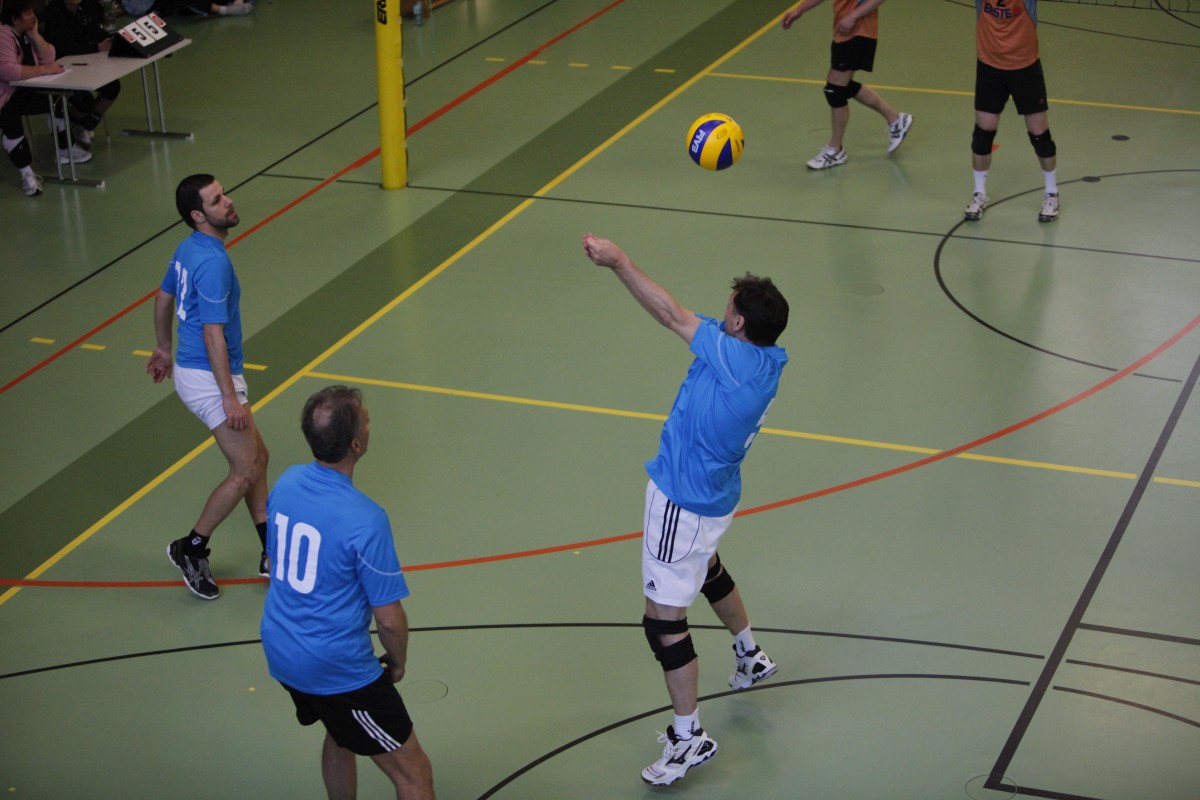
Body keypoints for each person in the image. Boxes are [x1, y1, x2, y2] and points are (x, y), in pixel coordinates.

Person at [581, 234, 789, 787]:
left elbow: (671, 314)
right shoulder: (765, 358)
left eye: (729, 309)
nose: (722, 313)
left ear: (740, 324)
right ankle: (749, 654)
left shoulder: (735, 359)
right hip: (715, 498)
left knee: (663, 622)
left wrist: (619, 262)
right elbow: (675, 315)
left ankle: (688, 736)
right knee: (709, 570)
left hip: (683, 500)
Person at [261, 386, 436, 800]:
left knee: (341, 732)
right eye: (367, 420)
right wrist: (396, 661)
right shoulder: (366, 520)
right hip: (335, 669)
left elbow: (273, 558)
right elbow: (388, 619)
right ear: (356, 444)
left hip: (281, 647)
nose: (371, 424)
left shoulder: (286, 482)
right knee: (414, 775)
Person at [146, 173, 269, 600]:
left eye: (224, 194)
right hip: (210, 378)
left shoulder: (190, 247)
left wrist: (164, 348)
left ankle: (271, 551)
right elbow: (212, 333)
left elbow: (163, 298)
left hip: (196, 368)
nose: (228, 202)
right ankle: (191, 548)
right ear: (198, 216)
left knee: (259, 457)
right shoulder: (214, 263)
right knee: (245, 470)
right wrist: (228, 396)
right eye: (217, 201)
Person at [782, 0, 912, 170]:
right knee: (842, 86)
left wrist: (853, 16)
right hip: (844, 30)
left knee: (834, 90)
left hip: (859, 30)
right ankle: (896, 119)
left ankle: (835, 149)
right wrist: (799, 10)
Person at [965, 0, 1059, 222]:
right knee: (982, 136)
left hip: (1025, 68)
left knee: (1040, 137)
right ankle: (978, 194)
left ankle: (1052, 194)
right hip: (989, 67)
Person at [0, 0, 91, 197]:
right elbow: (8, 71)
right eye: (27, 13)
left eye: (32, 11)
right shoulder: (3, 35)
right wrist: (44, 70)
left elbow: (49, 56)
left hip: (22, 90)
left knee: (56, 98)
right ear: (15, 19)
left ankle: (65, 150)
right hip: (4, 97)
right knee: (10, 119)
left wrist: (34, 35)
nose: (33, 16)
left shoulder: (25, 32)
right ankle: (27, 174)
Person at [40, 0, 121, 147]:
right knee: (84, 100)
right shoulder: (53, 12)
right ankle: (72, 124)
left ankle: (83, 125)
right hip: (61, 66)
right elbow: (62, 46)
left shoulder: (89, 6)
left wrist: (113, 39)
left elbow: (94, 31)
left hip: (87, 61)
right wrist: (96, 47)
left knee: (113, 87)